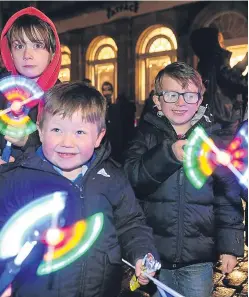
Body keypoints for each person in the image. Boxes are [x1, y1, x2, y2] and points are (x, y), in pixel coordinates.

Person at [0, 82, 158, 297]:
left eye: (80, 132)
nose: (67, 142)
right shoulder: (17, 180)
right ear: (40, 130)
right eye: (56, 129)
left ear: (98, 137)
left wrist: (142, 254)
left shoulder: (111, 177)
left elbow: (131, 224)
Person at [123, 62, 244, 297]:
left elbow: (227, 193)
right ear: (157, 100)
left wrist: (230, 246)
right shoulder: (146, 135)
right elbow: (132, 178)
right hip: (154, 254)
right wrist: (168, 155)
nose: (180, 103)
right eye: (171, 95)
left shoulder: (213, 139)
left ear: (199, 100)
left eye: (189, 95)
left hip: (198, 258)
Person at [0, 6, 61, 164]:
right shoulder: (2, 89)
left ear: (52, 53)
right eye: (19, 46)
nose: (27, 55)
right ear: (10, 53)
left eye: (37, 45)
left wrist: (29, 141)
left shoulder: (64, 99)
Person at [190, 27, 248, 144]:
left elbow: (226, 77)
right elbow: (237, 83)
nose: (223, 44)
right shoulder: (216, 60)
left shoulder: (206, 62)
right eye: (220, 41)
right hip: (225, 119)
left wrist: (244, 63)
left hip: (216, 119)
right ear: (213, 43)